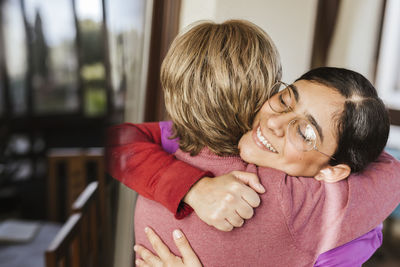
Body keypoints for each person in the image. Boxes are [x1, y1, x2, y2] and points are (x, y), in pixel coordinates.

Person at [106, 20, 400, 266]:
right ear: (265, 92)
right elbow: (391, 175)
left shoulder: (167, 148)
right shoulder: (310, 209)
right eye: (284, 99)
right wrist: (193, 187)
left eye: (305, 133)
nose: (274, 122)